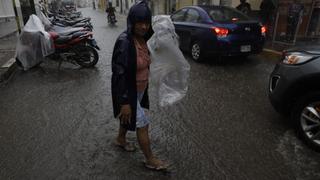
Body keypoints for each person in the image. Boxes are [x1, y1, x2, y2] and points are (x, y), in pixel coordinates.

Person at [111, 0, 168, 170]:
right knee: (142, 123)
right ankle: (150, 159)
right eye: (139, 22)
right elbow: (119, 74)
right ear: (132, 22)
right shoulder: (125, 42)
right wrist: (125, 102)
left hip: (140, 88)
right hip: (128, 91)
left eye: (146, 23)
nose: (143, 26)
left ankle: (120, 139)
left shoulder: (145, 39)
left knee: (127, 117)